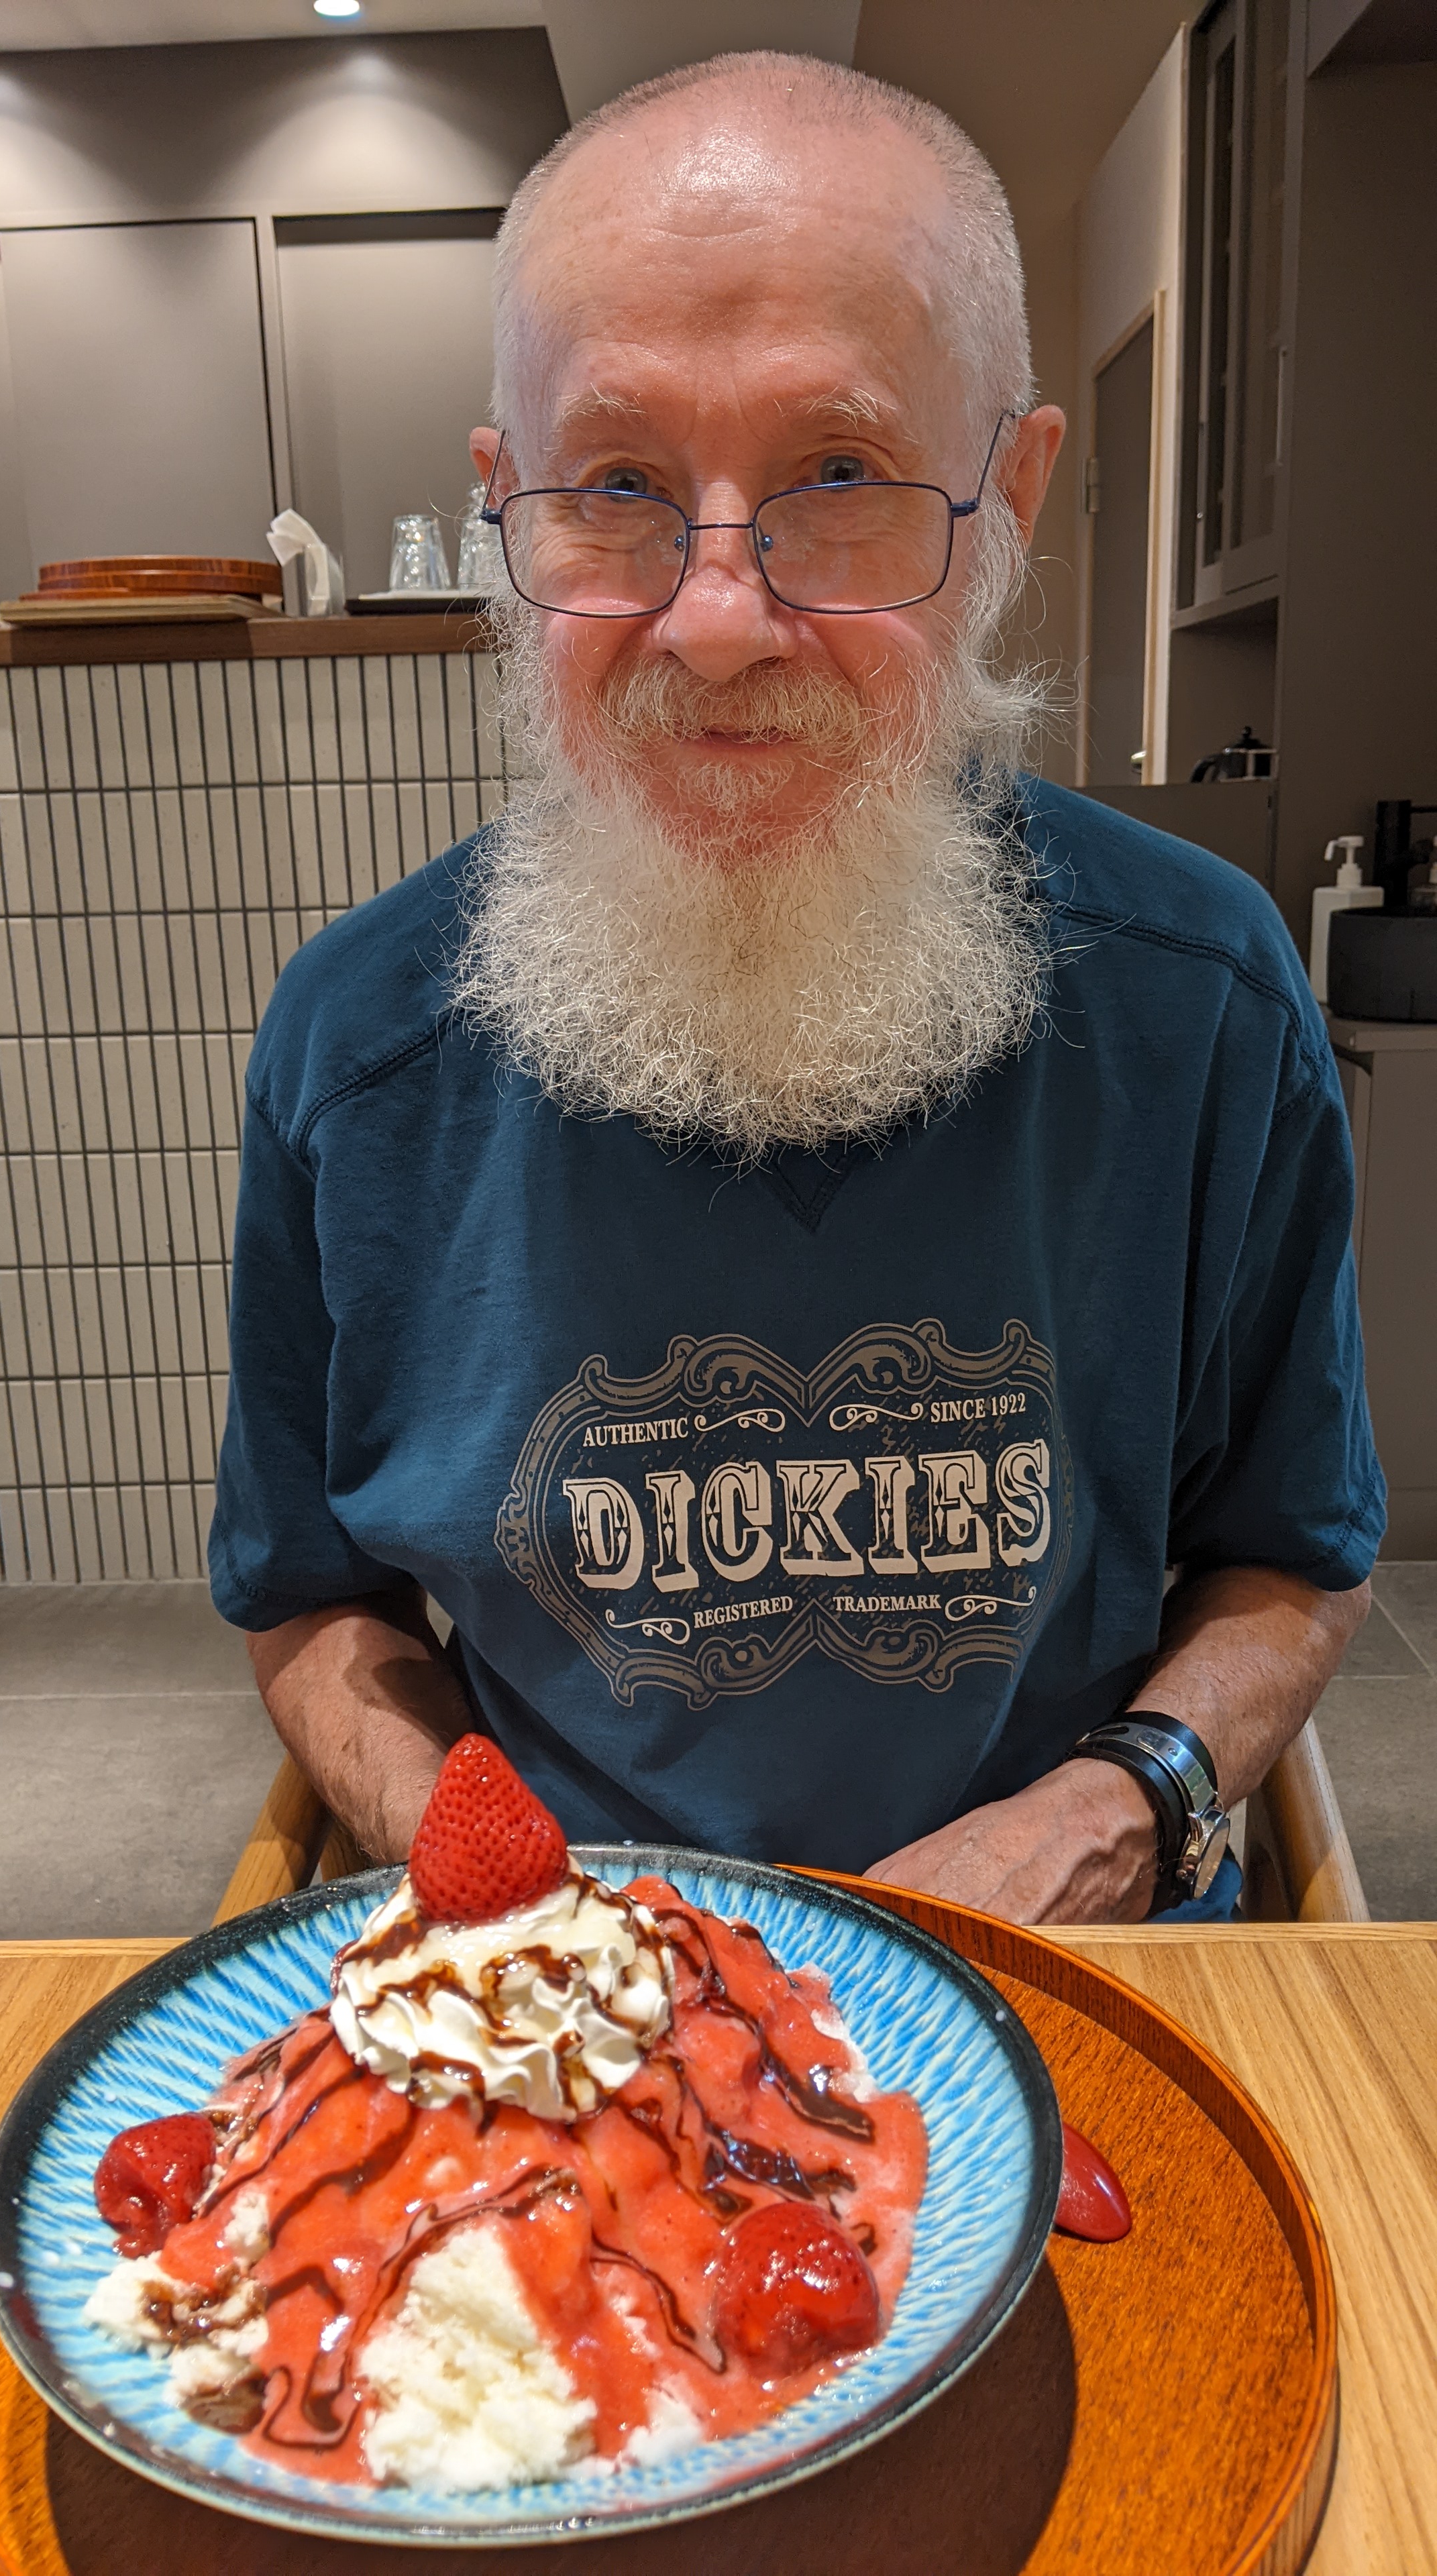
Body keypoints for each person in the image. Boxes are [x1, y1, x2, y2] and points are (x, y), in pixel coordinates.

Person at [209, 51, 1381, 1925]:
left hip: (1073, 1990)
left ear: (1009, 491)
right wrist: (510, 1897)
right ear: (510, 506)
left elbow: (1294, 1563)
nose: (723, 616)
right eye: (617, 485)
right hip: (584, 2046)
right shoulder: (355, 1054)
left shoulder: (1208, 1006)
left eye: (837, 476)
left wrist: (1116, 1808)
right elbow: (307, 1601)